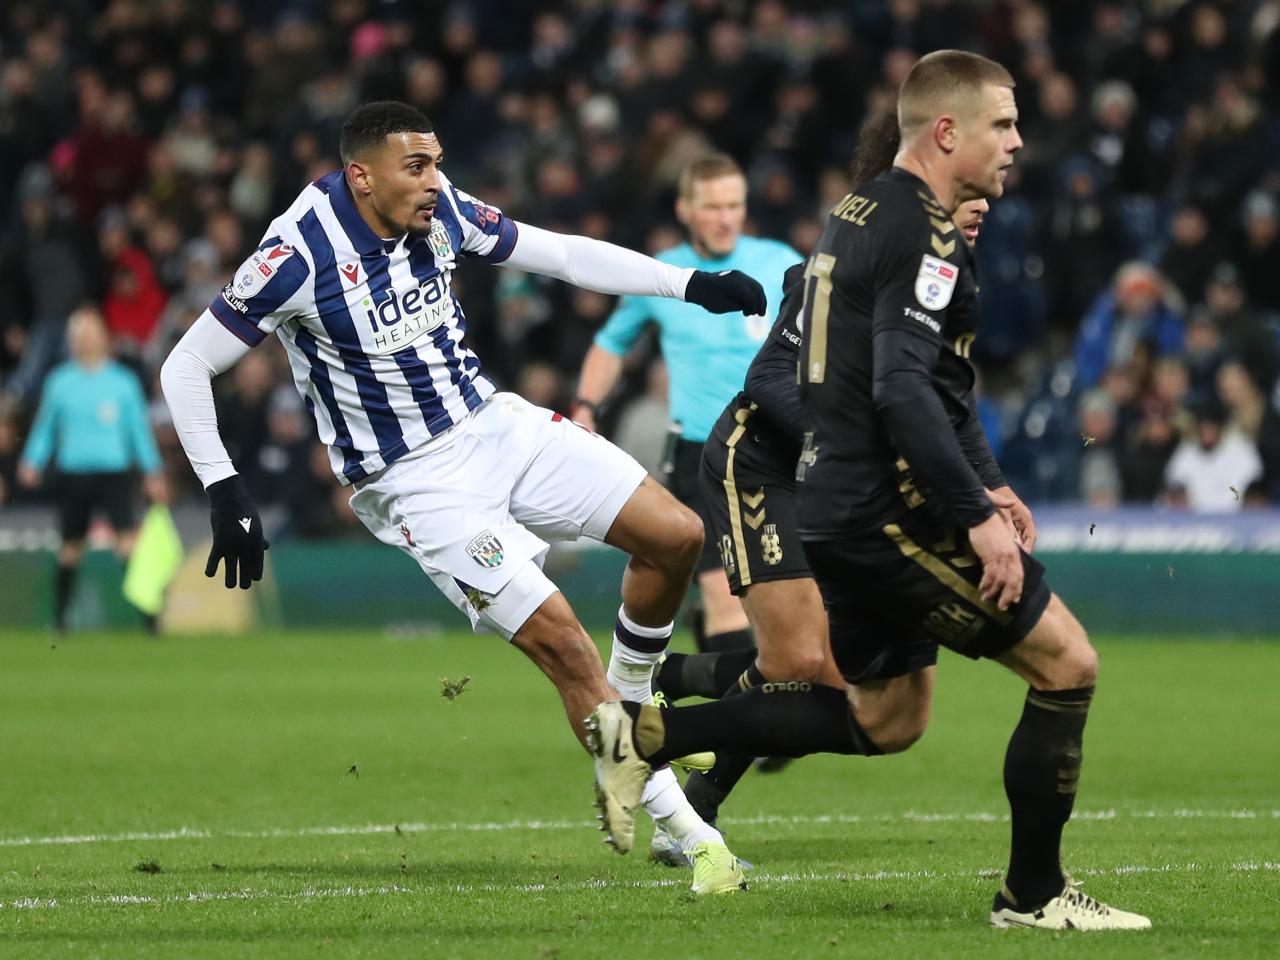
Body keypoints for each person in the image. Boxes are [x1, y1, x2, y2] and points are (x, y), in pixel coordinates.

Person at [589, 51, 1151, 931]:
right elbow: (894, 390)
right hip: (854, 499)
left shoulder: (860, 213)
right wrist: (971, 514)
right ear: (945, 132)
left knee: (888, 716)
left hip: (841, 500)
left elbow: (934, 390)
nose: (1015, 144)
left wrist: (988, 484)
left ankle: (656, 732)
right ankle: (1033, 896)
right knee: (1066, 663)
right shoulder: (920, 236)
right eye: (1001, 124)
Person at [159, 101, 766, 895]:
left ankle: (630, 709)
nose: (436, 181)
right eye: (418, 167)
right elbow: (185, 366)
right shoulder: (296, 254)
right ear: (361, 175)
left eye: (438, 162)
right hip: (415, 483)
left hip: (491, 424)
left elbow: (560, 256)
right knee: (562, 643)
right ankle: (689, 836)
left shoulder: (437, 206)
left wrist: (687, 283)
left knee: (676, 534)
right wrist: (223, 487)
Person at [653, 106, 1003, 840]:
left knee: (821, 671)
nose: (982, 211)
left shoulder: (943, 283)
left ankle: (670, 701)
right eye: (968, 200)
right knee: (799, 660)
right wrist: (843, 438)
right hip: (758, 464)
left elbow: (950, 401)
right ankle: (676, 766)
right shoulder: (833, 272)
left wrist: (988, 486)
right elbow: (767, 374)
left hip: (834, 489)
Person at [573, 154, 801, 658]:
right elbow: (612, 343)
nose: (725, 217)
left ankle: (708, 678)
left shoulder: (780, 260)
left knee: (775, 600)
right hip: (701, 456)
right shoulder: (662, 275)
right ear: (685, 209)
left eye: (734, 205)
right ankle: (740, 726)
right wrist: (586, 406)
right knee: (725, 594)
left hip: (774, 449)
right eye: (713, 206)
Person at [19, 306, 167, 632]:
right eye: (80, 334)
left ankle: (150, 621)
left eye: (92, 332)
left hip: (114, 474)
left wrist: (153, 471)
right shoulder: (61, 382)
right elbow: (46, 427)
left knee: (127, 546)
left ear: (104, 337)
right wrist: (31, 461)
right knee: (70, 549)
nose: (86, 339)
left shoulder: (122, 383)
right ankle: (59, 621)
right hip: (75, 475)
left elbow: (138, 432)